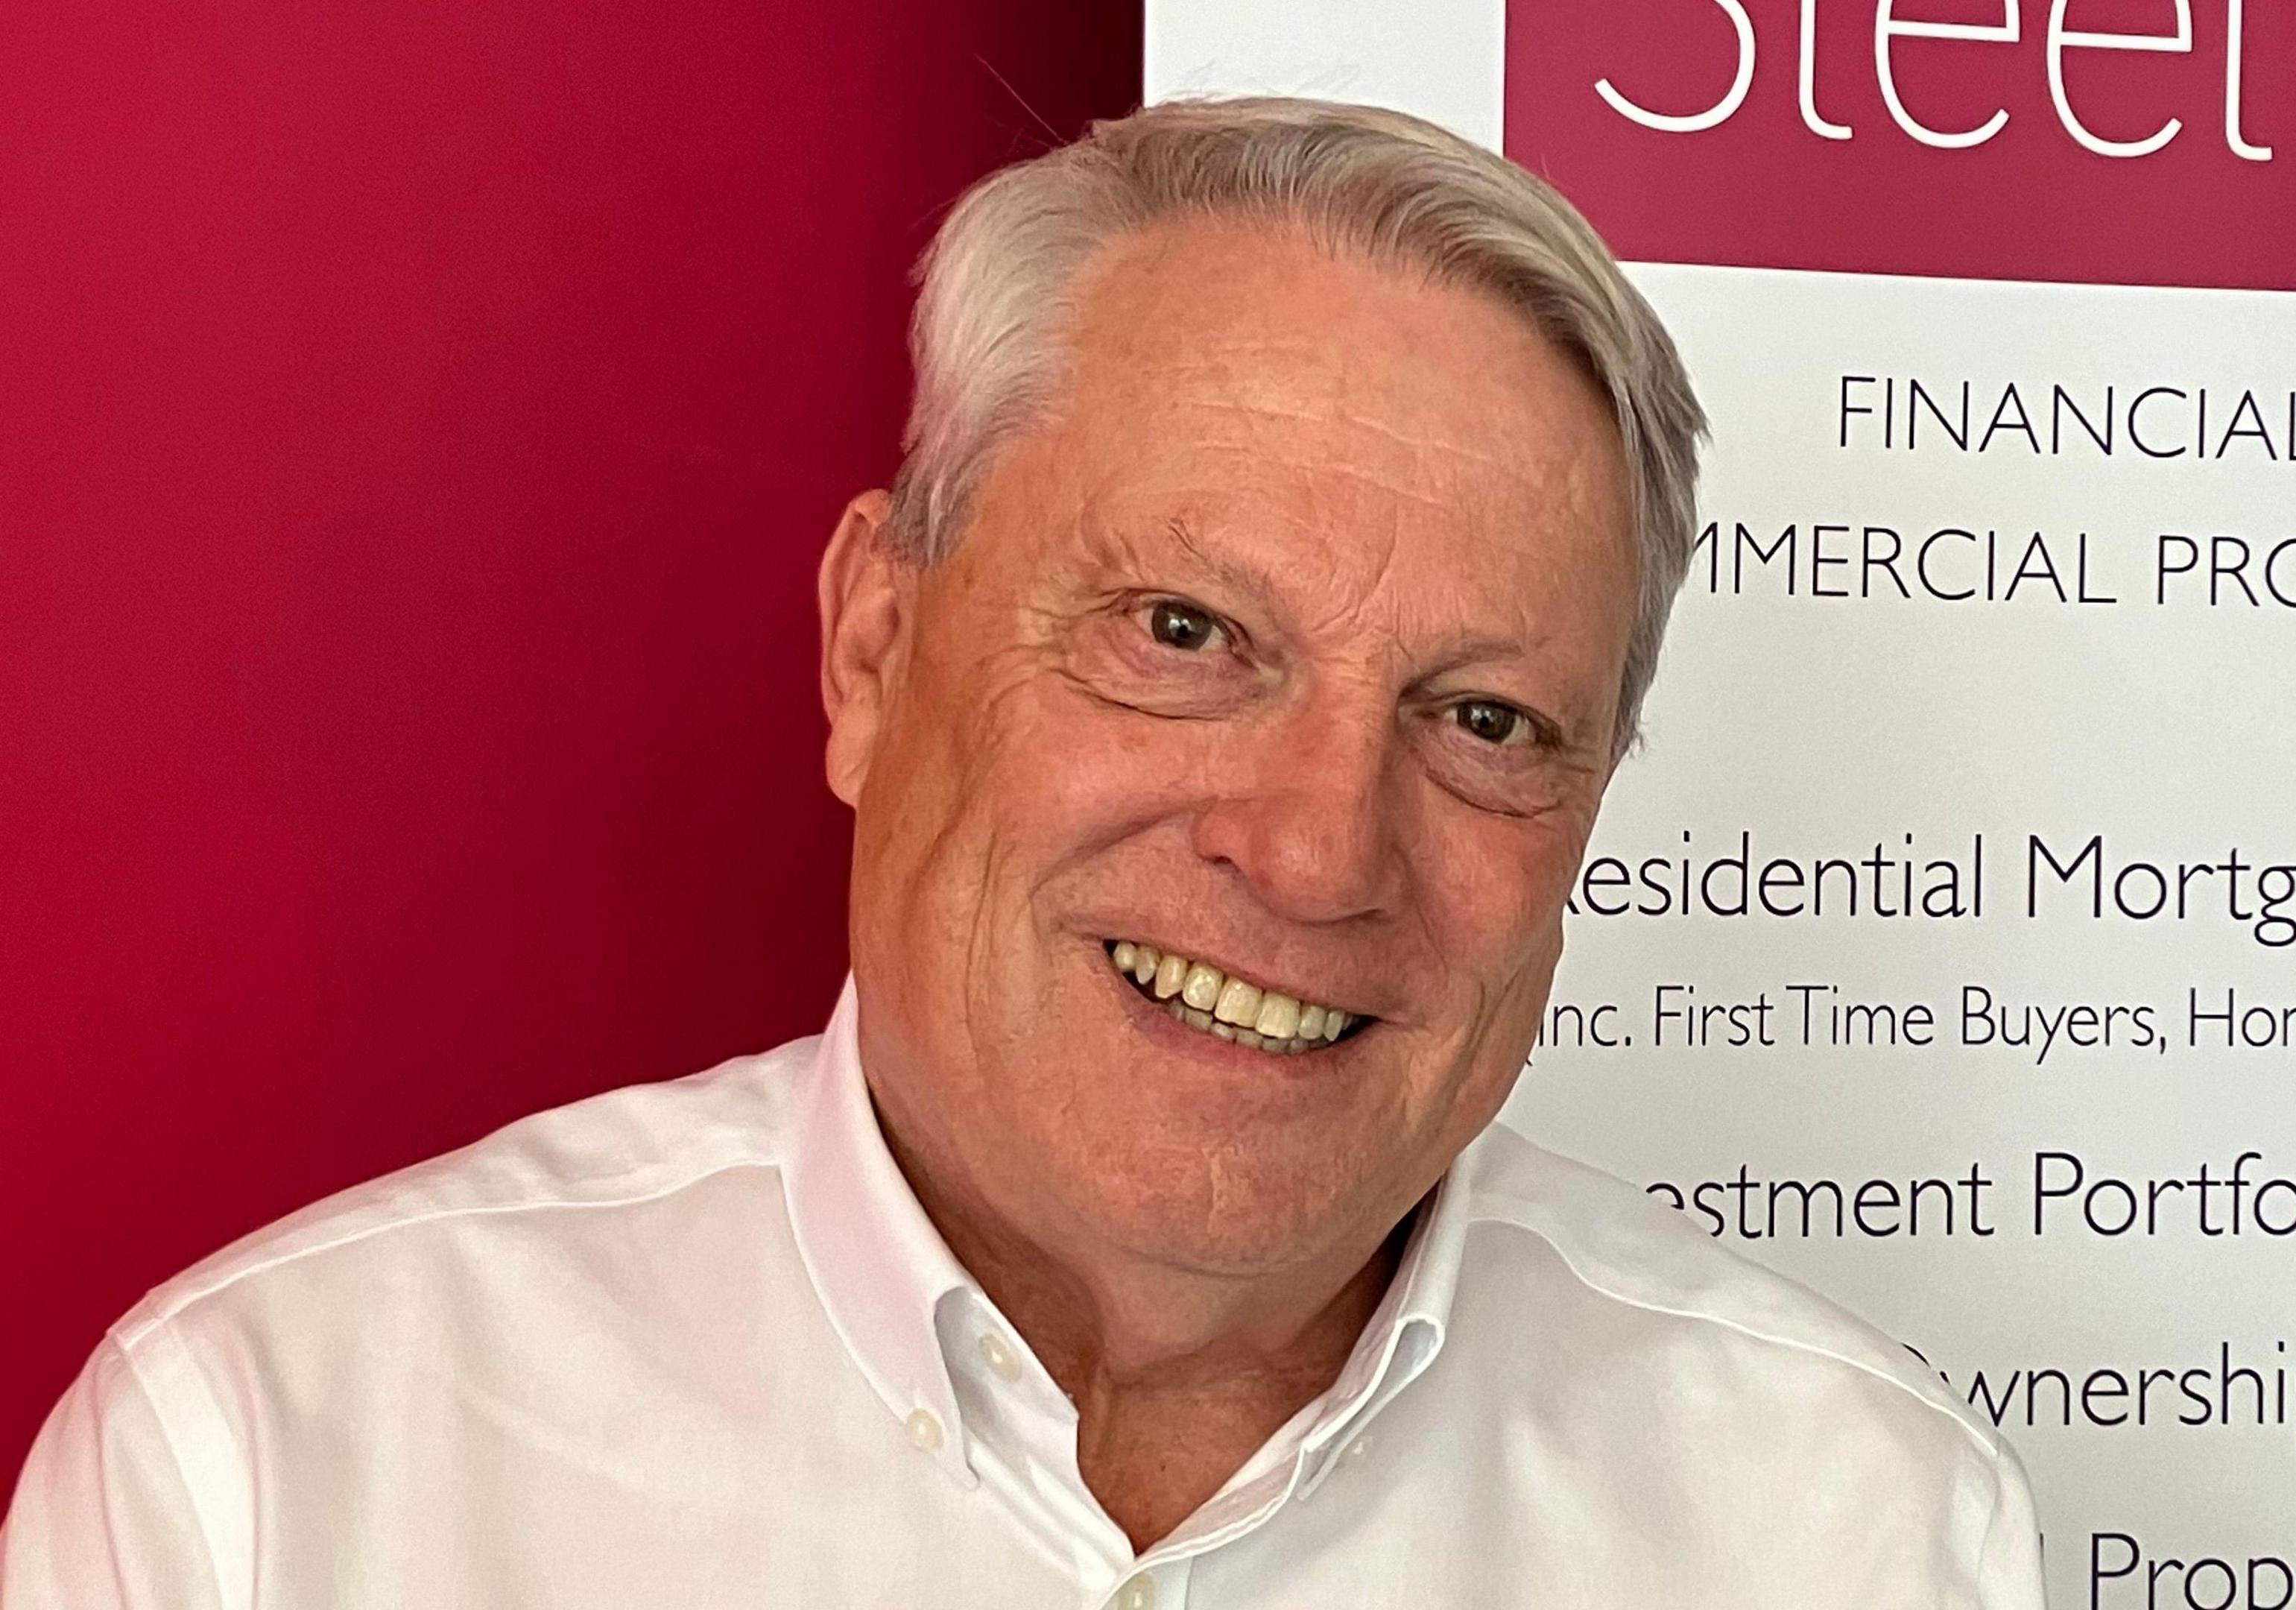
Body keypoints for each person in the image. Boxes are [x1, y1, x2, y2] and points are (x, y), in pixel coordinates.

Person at [1, 97, 2041, 1608]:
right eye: (1185, 634)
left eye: (1487, 721)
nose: (1321, 848)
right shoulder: (270, 1476)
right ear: (877, 649)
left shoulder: (1850, 1523)